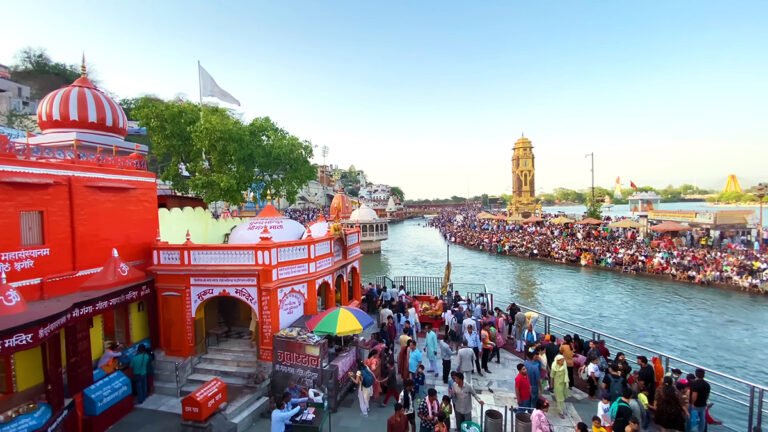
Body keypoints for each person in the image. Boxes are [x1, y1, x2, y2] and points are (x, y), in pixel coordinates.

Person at [551, 354, 570, 419]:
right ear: (557, 361)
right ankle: (560, 411)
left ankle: (562, 408)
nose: (563, 362)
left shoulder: (564, 365)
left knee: (563, 397)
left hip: (564, 383)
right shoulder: (554, 366)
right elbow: (552, 376)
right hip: (557, 384)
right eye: (561, 361)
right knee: (559, 398)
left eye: (563, 360)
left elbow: (566, 373)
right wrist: (551, 385)